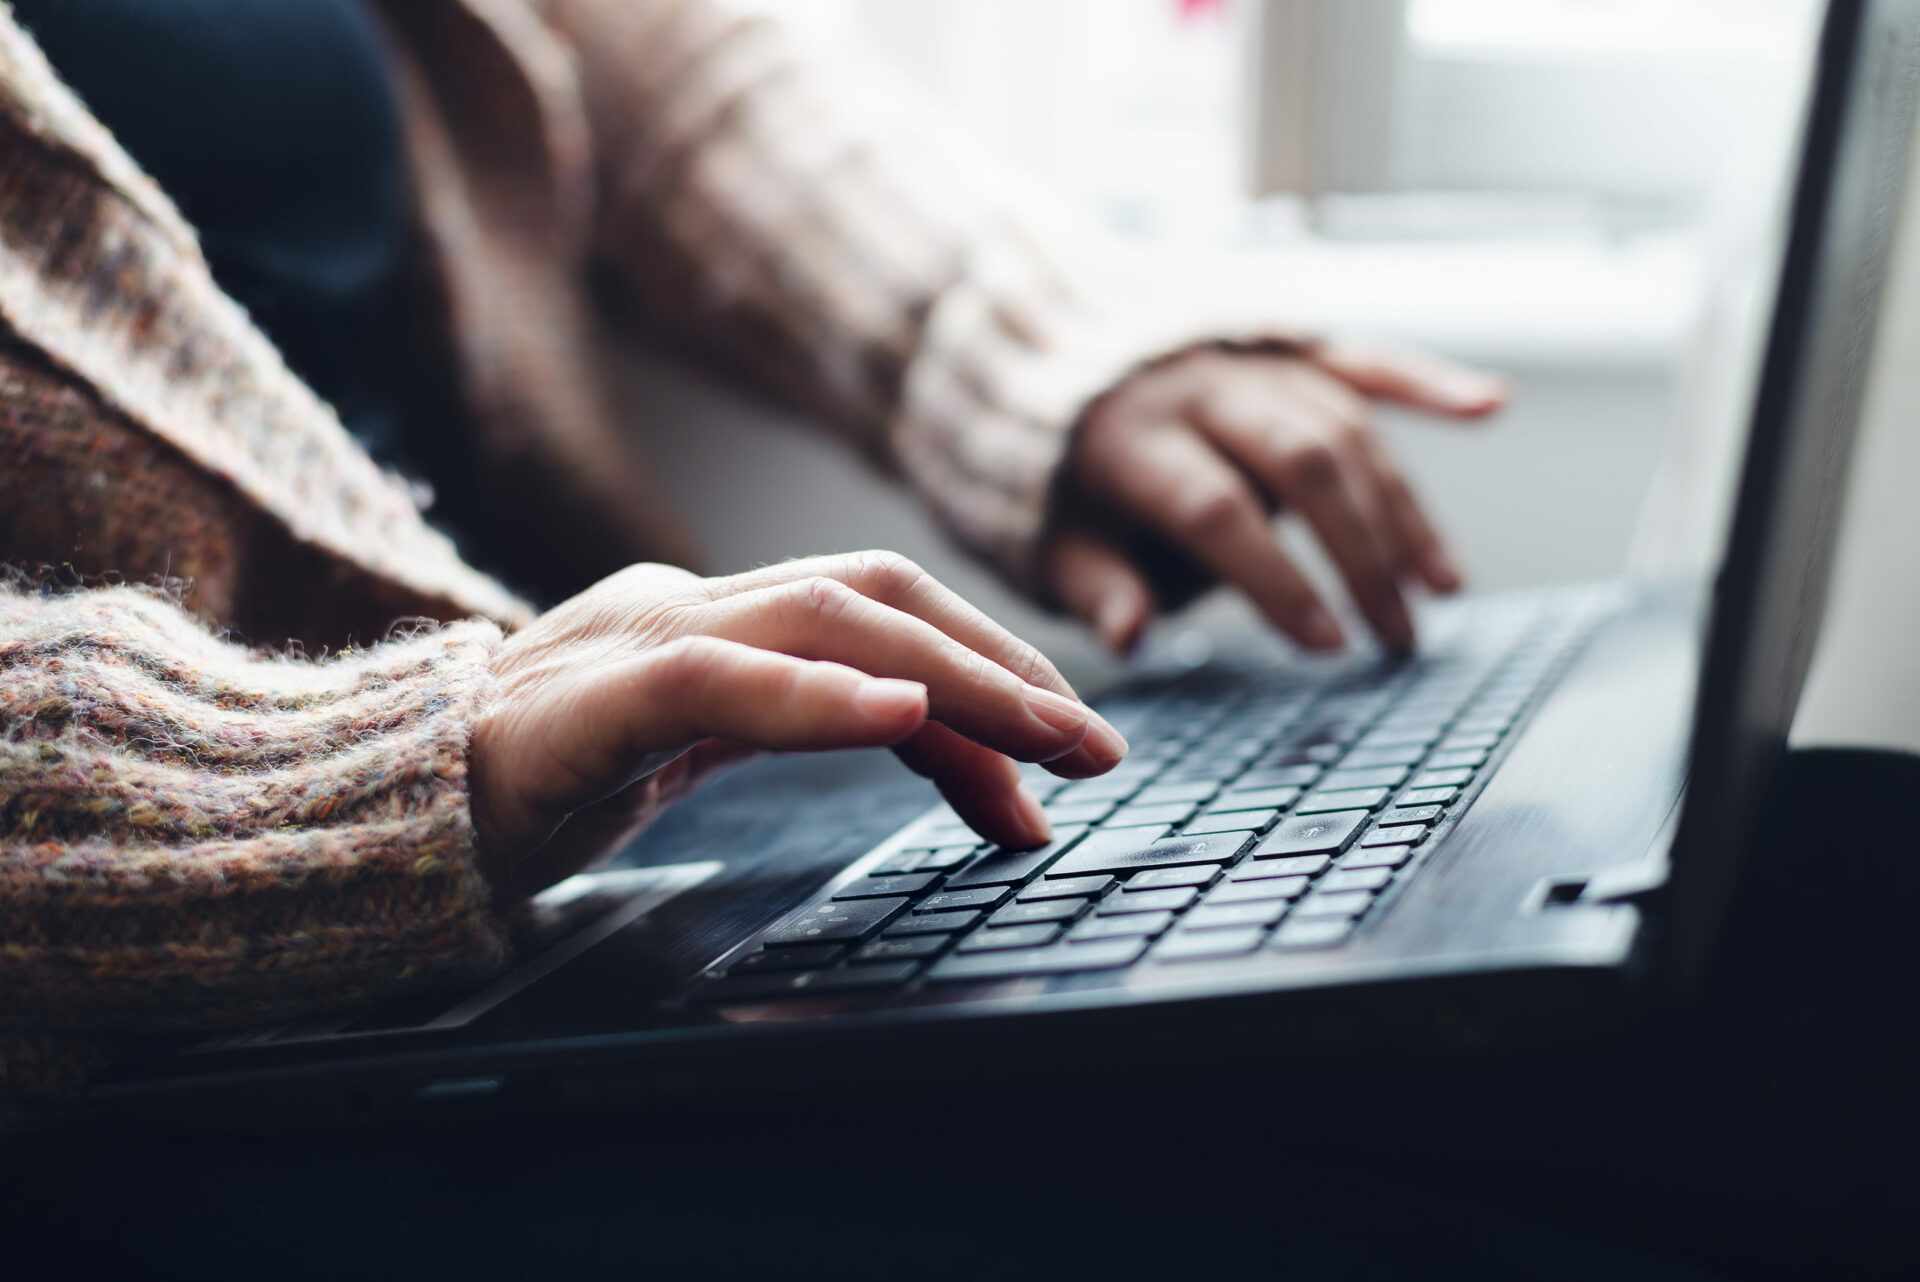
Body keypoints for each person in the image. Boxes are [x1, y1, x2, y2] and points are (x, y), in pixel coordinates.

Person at [0, 0, 1503, 1127]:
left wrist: (1026, 347)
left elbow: (621, 54)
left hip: (637, 878)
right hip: (185, 1100)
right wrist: (381, 766)